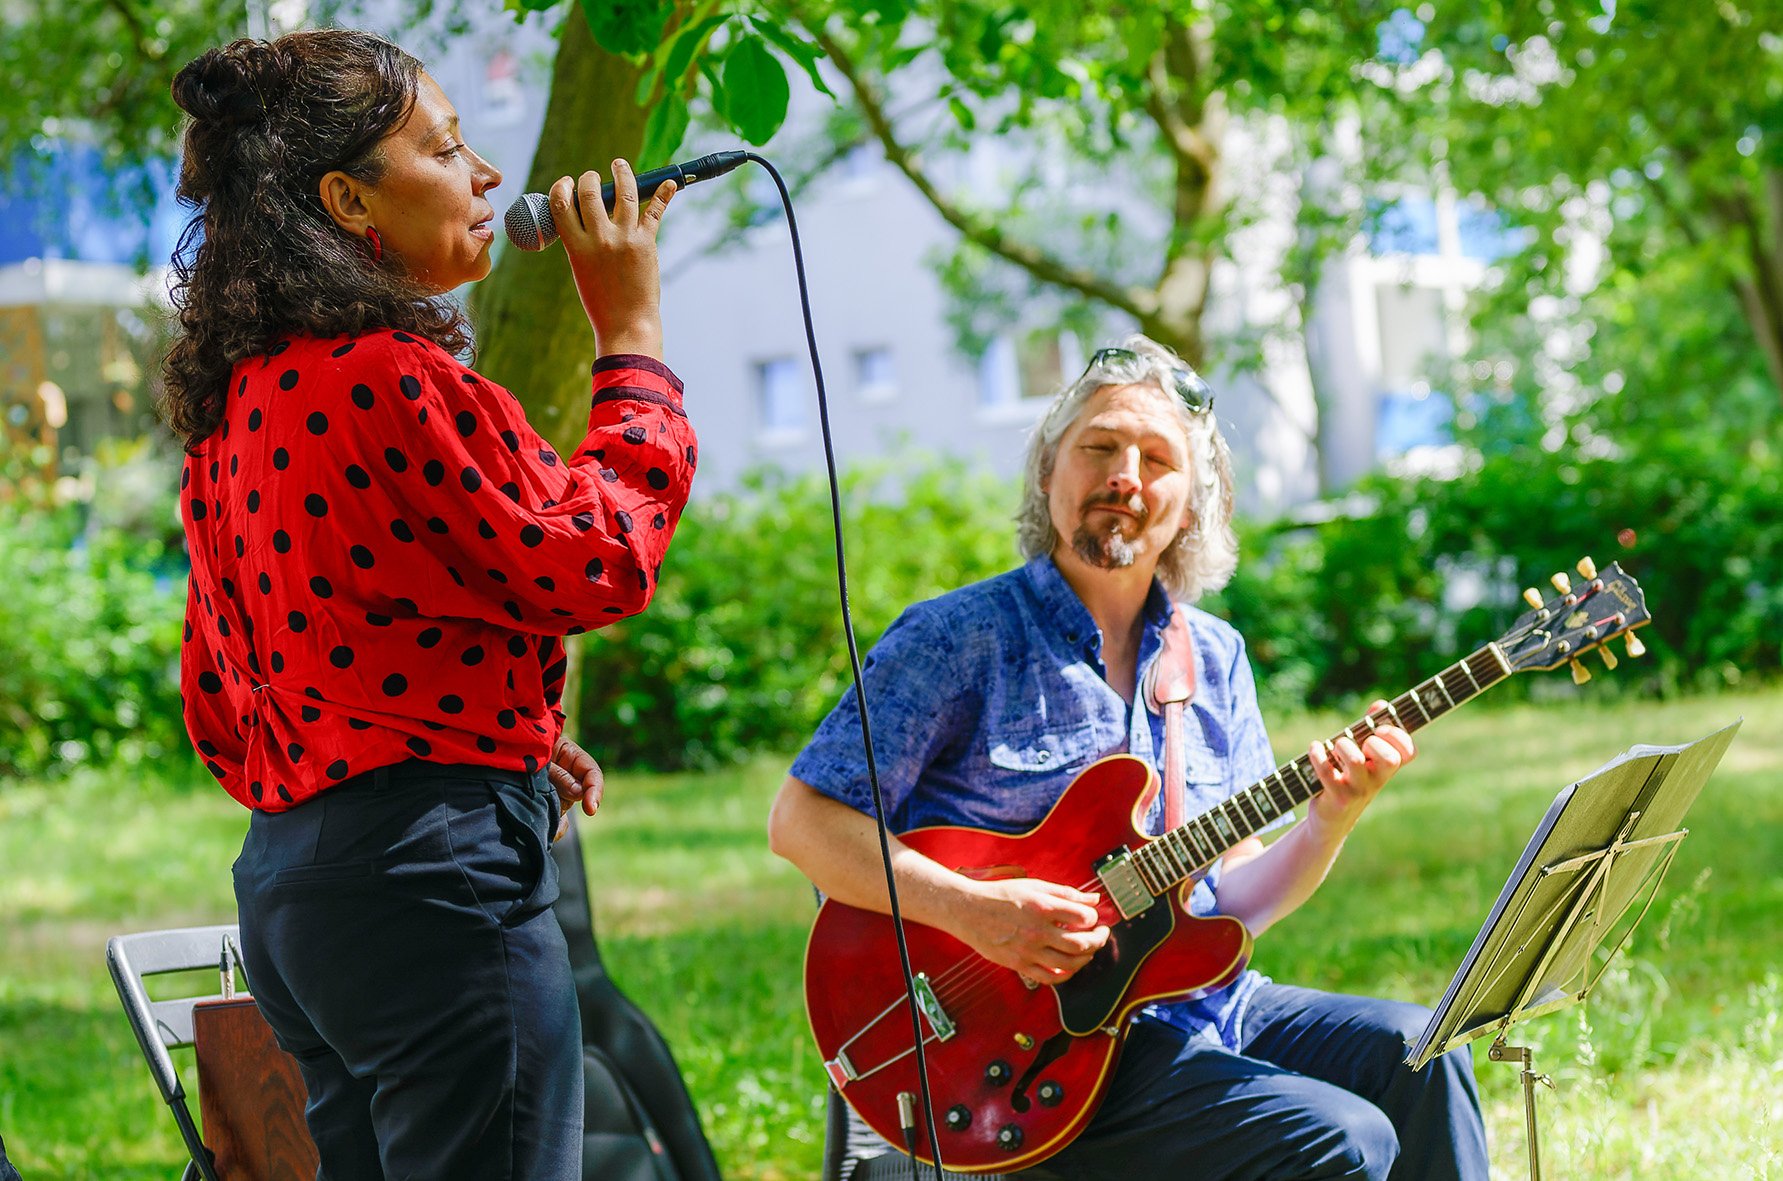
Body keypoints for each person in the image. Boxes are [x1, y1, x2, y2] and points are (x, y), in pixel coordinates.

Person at [768, 336, 1490, 1180]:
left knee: (1421, 1051)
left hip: (1194, 1009)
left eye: (1156, 459)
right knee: (1337, 1136)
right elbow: (802, 822)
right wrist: (979, 913)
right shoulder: (956, 638)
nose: (1126, 474)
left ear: (1191, 504)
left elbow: (1235, 898)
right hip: (1029, 1057)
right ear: (1048, 473)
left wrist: (1333, 816)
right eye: (1099, 447)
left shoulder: (1212, 656)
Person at [164, 29, 692, 1180]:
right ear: (350, 198)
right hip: (428, 885)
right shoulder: (390, 376)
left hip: (297, 893)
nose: (488, 176)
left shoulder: (237, 410)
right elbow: (595, 555)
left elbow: (227, 697)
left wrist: (475, 732)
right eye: (448, 149)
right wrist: (633, 339)